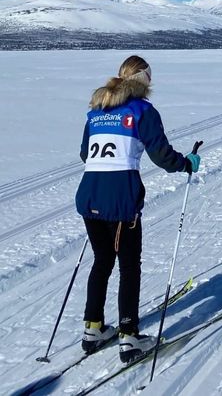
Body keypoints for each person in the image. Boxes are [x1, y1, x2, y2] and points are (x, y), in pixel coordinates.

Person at [75, 55, 201, 364]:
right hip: (121, 200)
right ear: (144, 79)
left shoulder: (97, 110)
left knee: (102, 261)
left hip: (88, 195)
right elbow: (160, 154)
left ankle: (92, 329)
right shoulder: (143, 110)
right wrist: (186, 163)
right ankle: (129, 337)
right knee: (129, 266)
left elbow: (84, 153)